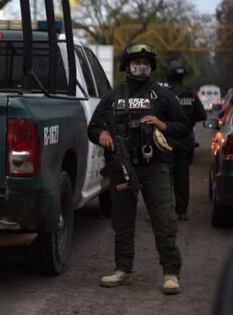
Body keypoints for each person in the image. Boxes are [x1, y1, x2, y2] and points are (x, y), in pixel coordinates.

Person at [87, 43, 190, 295]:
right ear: (128, 66)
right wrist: (101, 134)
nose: (141, 67)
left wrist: (162, 125)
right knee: (122, 222)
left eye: (145, 63)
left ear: (151, 67)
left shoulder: (162, 95)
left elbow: (184, 126)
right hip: (121, 167)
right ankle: (123, 270)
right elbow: (93, 127)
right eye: (136, 63)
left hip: (155, 167)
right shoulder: (114, 96)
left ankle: (170, 272)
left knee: (163, 220)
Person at [166, 60, 207, 221]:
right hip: (185, 143)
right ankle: (182, 211)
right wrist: (188, 122)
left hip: (167, 142)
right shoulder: (190, 94)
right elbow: (202, 115)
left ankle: (164, 211)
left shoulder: (166, 94)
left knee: (164, 177)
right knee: (182, 177)